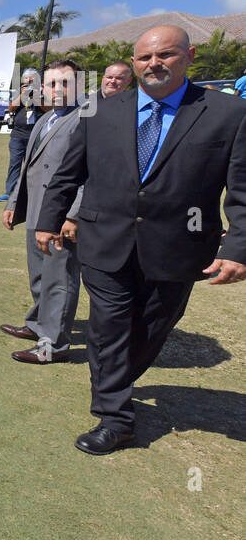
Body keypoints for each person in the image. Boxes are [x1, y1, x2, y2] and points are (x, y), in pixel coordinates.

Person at [37, 25, 246, 454]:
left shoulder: (229, 114)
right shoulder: (102, 111)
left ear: (189, 56)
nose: (154, 64)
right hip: (104, 239)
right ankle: (115, 416)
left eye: (165, 55)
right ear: (133, 64)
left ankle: (113, 377)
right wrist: (48, 220)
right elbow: (68, 174)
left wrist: (238, 248)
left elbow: (241, 192)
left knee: (152, 327)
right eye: (145, 57)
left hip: (179, 247)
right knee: (108, 324)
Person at [1, 60, 86, 365]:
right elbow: (27, 168)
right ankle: (38, 325)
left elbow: (92, 175)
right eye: (50, 84)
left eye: (65, 83)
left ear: (79, 85)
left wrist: (73, 216)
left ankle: (55, 344)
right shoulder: (45, 118)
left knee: (60, 279)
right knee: (39, 274)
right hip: (37, 210)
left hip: (61, 217)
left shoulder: (86, 118)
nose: (56, 90)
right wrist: (14, 203)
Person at [0, 69, 40, 202]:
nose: (29, 81)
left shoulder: (43, 92)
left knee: (33, 165)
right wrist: (22, 95)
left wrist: (36, 97)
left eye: (32, 79)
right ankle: (10, 192)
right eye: (27, 78)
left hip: (35, 134)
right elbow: (11, 108)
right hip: (18, 134)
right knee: (14, 164)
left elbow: (48, 108)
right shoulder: (18, 92)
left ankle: (30, 193)